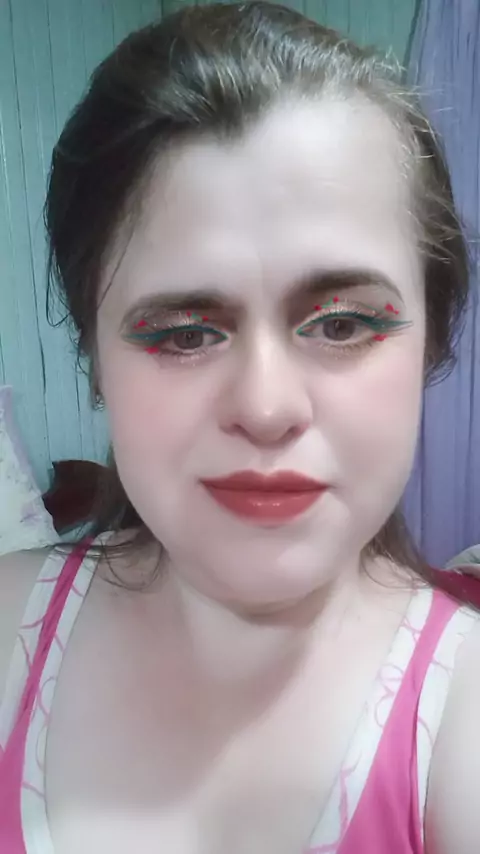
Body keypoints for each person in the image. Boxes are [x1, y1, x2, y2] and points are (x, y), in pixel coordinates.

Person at [0, 2, 479, 852]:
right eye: (185, 334)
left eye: (342, 324)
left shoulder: (461, 716)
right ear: (95, 359)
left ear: (431, 341)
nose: (265, 407)